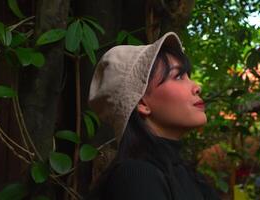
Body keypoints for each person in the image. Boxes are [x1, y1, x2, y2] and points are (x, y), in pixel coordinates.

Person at [87, 32, 221, 200]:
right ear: (142, 103)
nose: (197, 87)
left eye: (188, 76)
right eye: (178, 76)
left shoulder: (183, 173)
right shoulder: (136, 176)